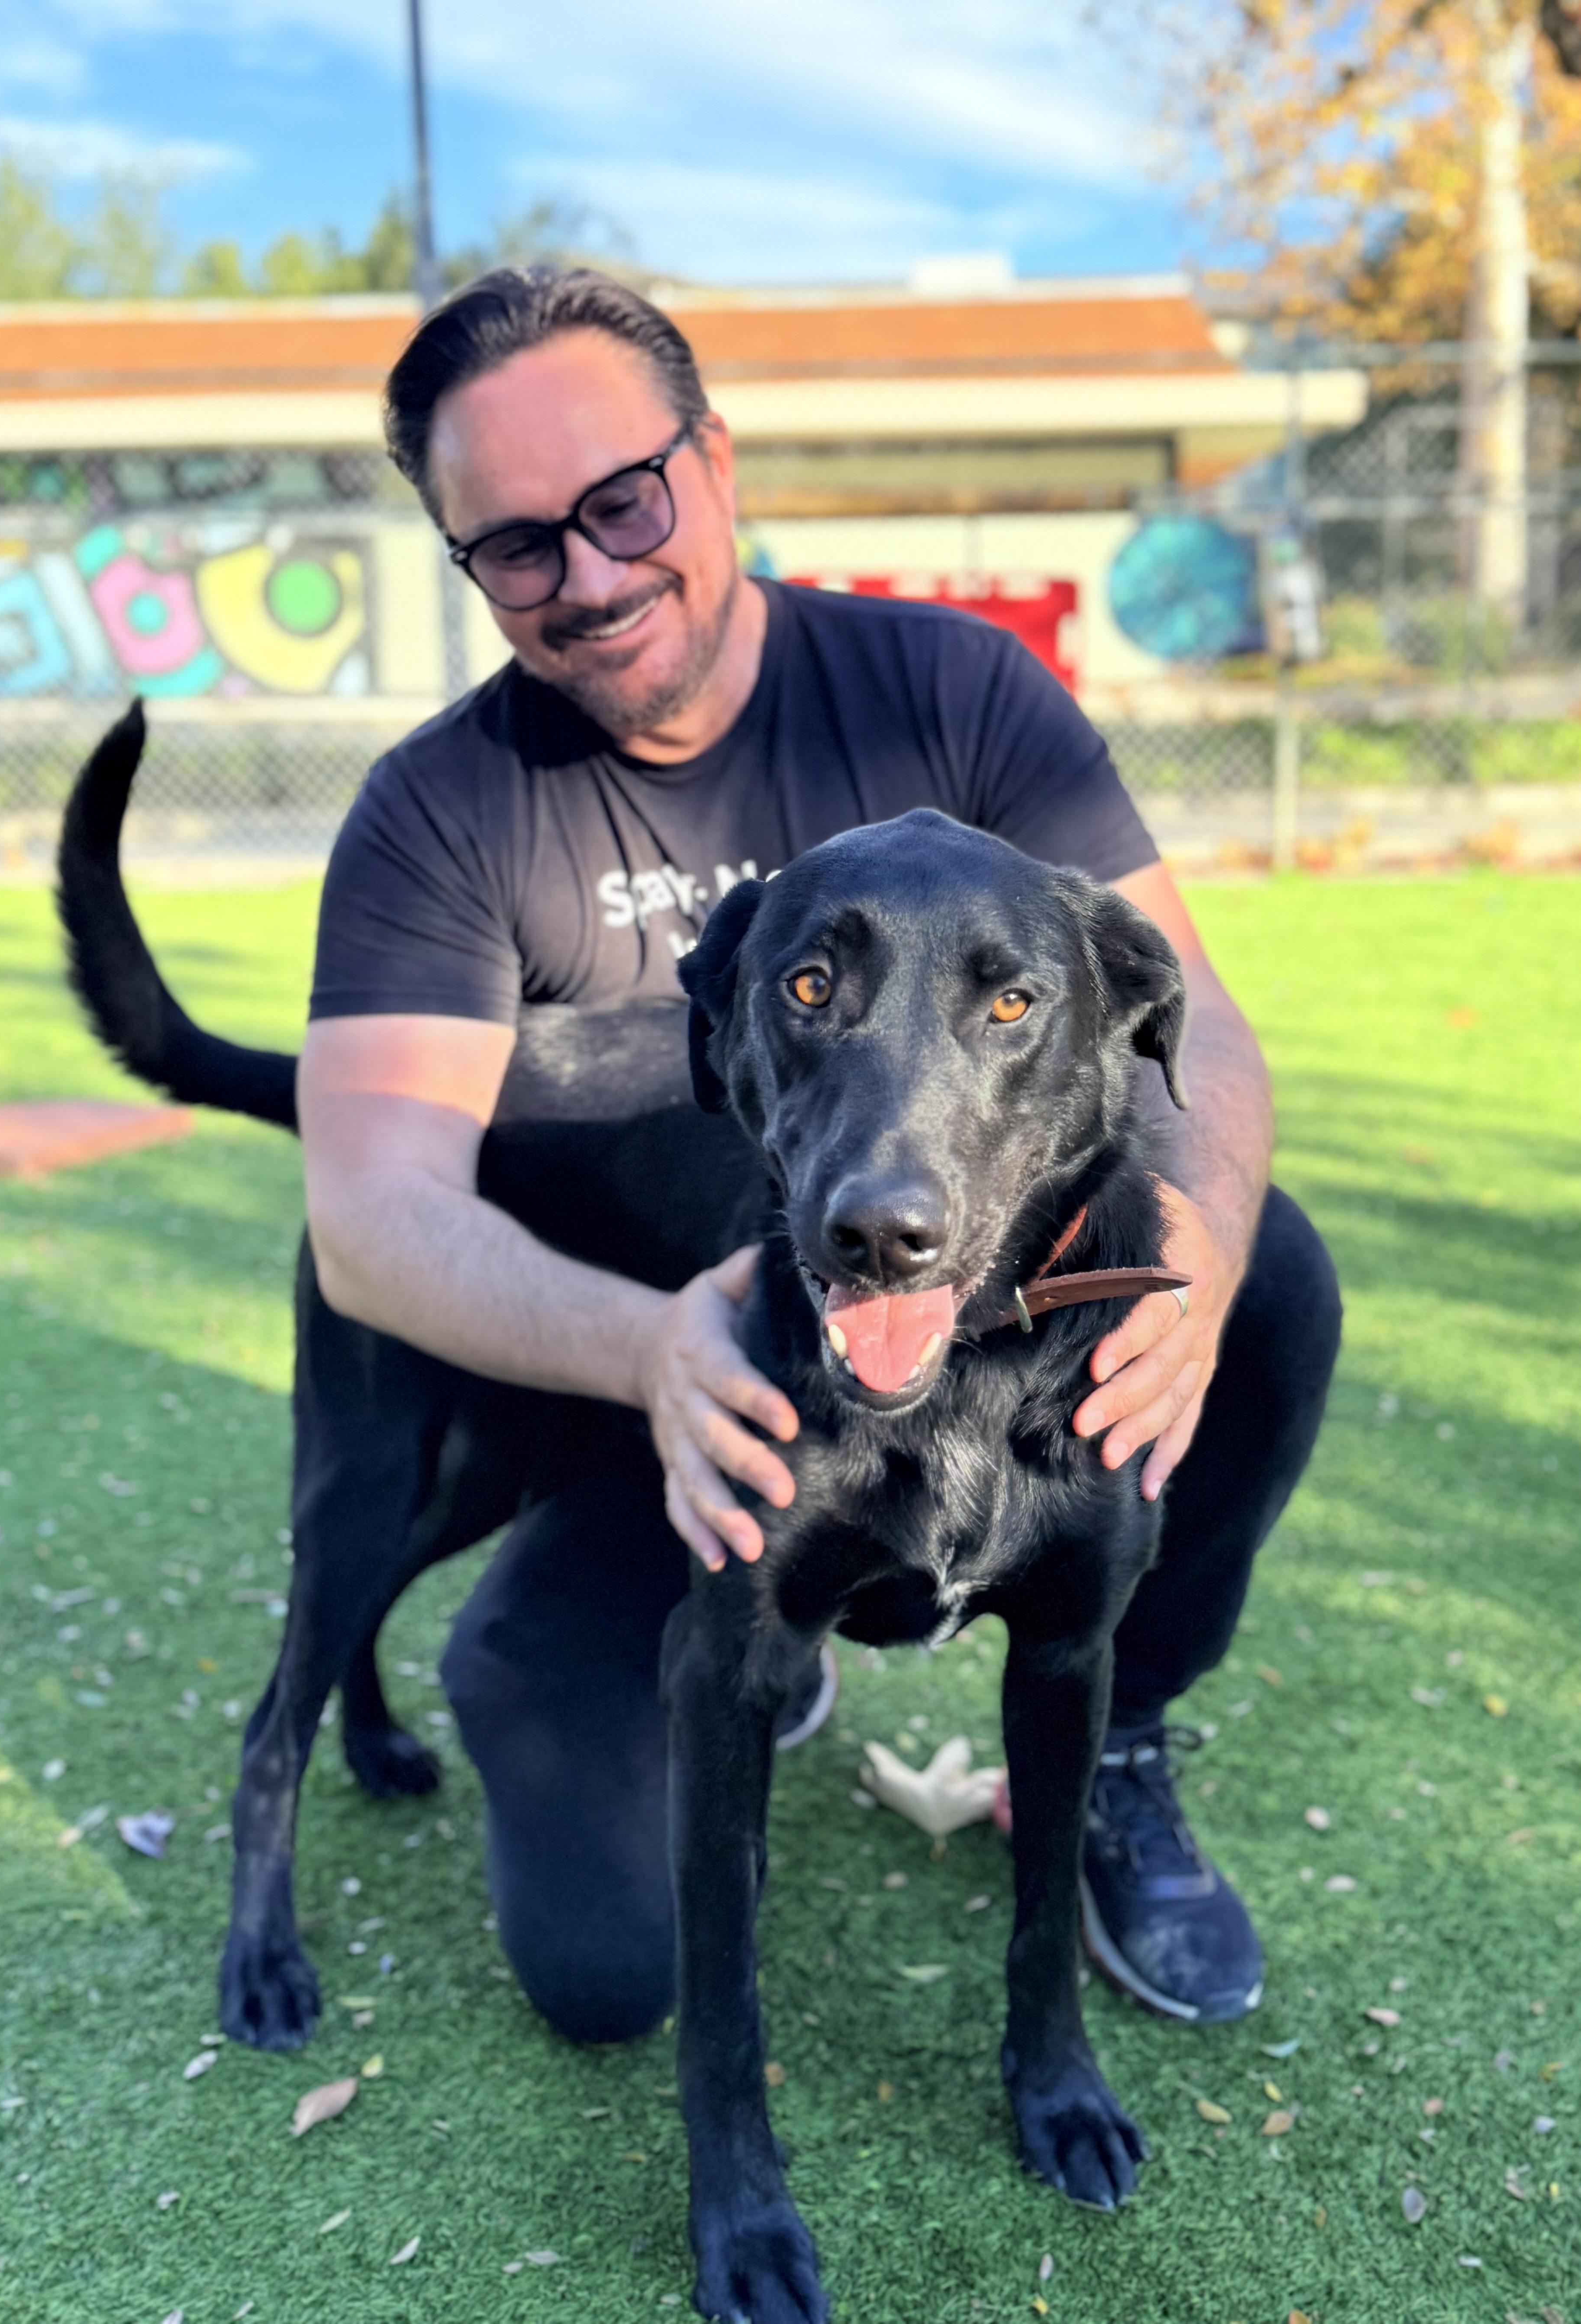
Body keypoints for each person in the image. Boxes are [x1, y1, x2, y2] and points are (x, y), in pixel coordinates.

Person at [299, 266, 1340, 2042]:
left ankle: (1112, 1737)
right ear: (466, 564)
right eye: (517, 546)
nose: (590, 573)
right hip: (663, 1415)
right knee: (605, 1969)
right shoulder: (440, 806)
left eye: (621, 499)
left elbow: (1193, 1020)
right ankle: (651, 1647)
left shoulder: (943, 690)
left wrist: (1208, 1251)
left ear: (708, 459)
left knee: (1273, 1273)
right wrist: (646, 1352)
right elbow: (373, 1215)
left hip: (969, 1340)